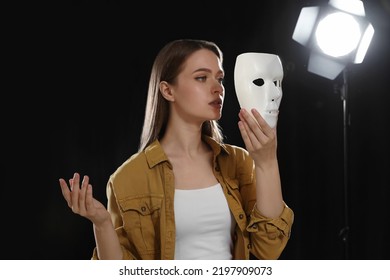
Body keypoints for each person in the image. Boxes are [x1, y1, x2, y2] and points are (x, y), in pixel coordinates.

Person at [59, 39, 294, 260]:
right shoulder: (128, 178)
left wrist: (266, 161)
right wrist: (101, 224)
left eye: (220, 79)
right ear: (167, 91)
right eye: (202, 78)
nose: (218, 89)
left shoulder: (238, 162)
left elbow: (268, 249)